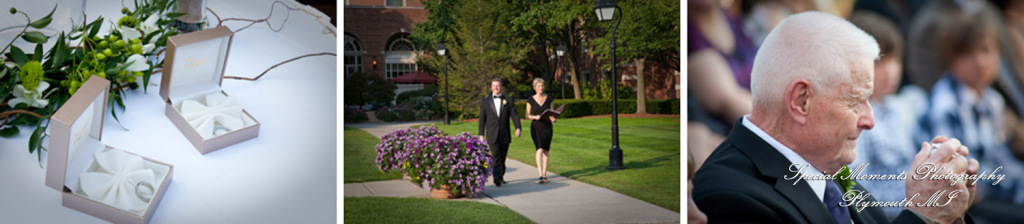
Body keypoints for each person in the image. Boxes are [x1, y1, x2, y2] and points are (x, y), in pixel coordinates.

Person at [693, 11, 980, 224]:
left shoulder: (830, 174)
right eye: (856, 100)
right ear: (801, 101)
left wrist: (949, 212)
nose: (870, 120)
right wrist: (922, 215)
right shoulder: (728, 197)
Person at [846, 10, 926, 218]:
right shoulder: (855, 119)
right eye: (880, 62)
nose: (892, 71)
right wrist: (920, 198)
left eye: (896, 60)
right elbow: (858, 191)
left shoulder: (897, 108)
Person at [478, 78, 522, 187]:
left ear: (501, 87)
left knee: (502, 157)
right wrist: (481, 134)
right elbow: (482, 119)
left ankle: (501, 175)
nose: (496, 88)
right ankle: (496, 177)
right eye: (494, 86)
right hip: (492, 133)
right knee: (496, 155)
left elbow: (515, 115)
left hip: (504, 133)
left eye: (498, 86)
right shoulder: (485, 101)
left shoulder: (508, 100)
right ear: (491, 87)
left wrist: (518, 128)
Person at [525, 78, 555, 184]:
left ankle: (545, 174)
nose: (541, 88)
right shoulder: (530, 100)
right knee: (539, 148)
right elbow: (527, 115)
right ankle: (540, 175)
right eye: (539, 86)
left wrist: (553, 118)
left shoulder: (549, 99)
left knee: (546, 150)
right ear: (534, 87)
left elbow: (551, 113)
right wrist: (535, 117)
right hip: (536, 127)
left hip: (547, 127)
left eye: (542, 86)